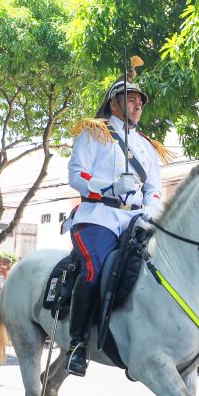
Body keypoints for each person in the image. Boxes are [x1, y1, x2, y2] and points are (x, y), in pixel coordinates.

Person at [63, 64, 166, 376]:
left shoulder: (148, 146)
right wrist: (105, 188)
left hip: (135, 218)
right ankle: (78, 344)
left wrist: (150, 210)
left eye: (140, 102)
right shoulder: (93, 131)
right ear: (113, 102)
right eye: (131, 99)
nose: (137, 105)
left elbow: (155, 190)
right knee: (95, 270)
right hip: (99, 215)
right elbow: (76, 173)